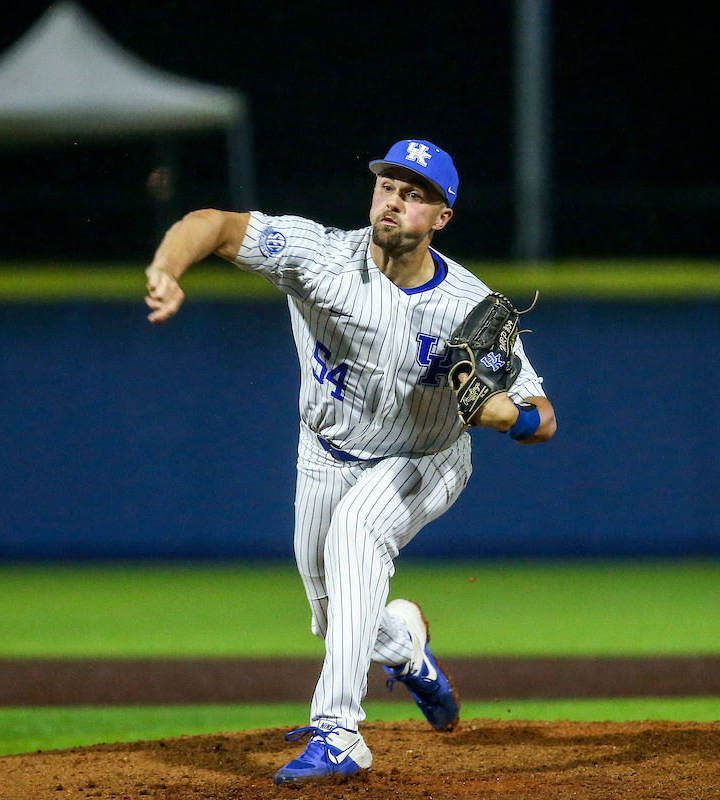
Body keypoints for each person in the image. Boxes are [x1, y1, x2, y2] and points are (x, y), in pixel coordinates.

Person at [144, 139, 556, 783]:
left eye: (414, 194)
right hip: (324, 452)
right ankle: (405, 649)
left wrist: (511, 416)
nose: (394, 201)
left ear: (441, 218)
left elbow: (543, 419)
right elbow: (213, 225)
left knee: (357, 531)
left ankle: (339, 733)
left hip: (424, 458)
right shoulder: (318, 254)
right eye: (388, 185)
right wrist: (168, 268)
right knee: (335, 616)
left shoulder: (467, 306)